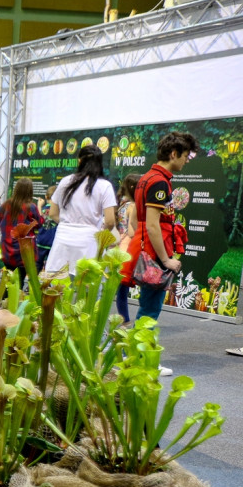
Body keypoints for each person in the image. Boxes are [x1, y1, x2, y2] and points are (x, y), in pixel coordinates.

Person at [121, 131, 199, 372]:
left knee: (147, 307)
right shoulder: (159, 181)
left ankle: (131, 355)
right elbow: (153, 224)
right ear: (173, 154)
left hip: (148, 249)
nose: (187, 160)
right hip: (155, 253)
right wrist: (166, 259)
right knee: (149, 309)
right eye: (185, 156)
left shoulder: (148, 177)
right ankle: (139, 360)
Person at [43, 145, 117, 276]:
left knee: (59, 287)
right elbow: (110, 221)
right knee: (87, 288)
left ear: (79, 161)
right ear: (100, 163)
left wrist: (68, 224)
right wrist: (98, 233)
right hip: (89, 241)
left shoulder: (66, 181)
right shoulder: (105, 186)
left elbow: (53, 213)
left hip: (63, 240)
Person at [0, 177, 45, 288]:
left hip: (7, 250)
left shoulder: (5, 205)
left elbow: (0, 221)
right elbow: (39, 223)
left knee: (9, 281)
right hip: (23, 252)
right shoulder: (31, 207)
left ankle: (4, 302)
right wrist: (39, 206)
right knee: (19, 282)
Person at [114, 173, 141, 326]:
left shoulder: (122, 205)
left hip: (118, 247)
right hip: (128, 249)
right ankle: (125, 322)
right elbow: (132, 231)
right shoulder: (133, 206)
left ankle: (123, 320)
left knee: (120, 290)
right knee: (123, 290)